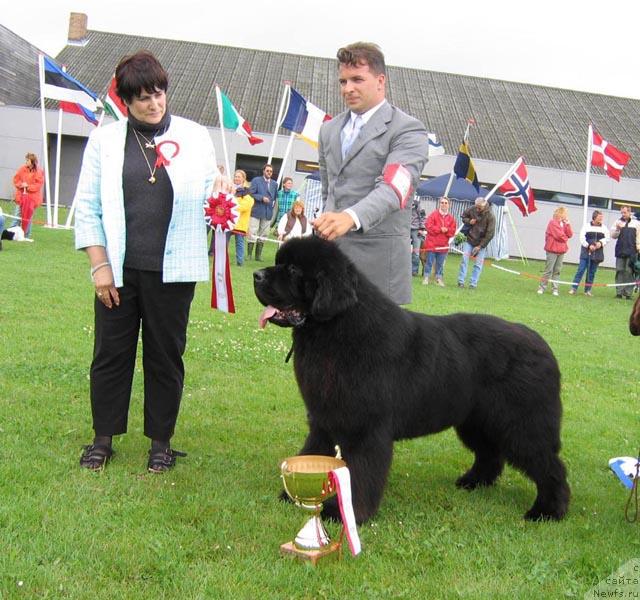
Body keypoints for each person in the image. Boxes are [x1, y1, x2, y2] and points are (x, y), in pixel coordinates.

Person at [73, 51, 219, 472]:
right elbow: (88, 208)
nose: (154, 104)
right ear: (125, 102)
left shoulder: (194, 137)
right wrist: (101, 269)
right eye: (142, 98)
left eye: (159, 94)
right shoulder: (105, 140)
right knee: (110, 354)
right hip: (119, 271)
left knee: (165, 357)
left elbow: (213, 193)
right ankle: (103, 439)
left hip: (173, 273)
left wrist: (223, 190)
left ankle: (161, 443)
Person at [313, 42, 429, 305]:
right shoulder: (328, 130)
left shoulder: (408, 130)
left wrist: (350, 217)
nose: (348, 88)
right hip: (330, 265)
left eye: (357, 79)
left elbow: (394, 190)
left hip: (378, 269)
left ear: (380, 80)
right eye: (343, 81)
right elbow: (328, 190)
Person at [568, 210, 610, 296]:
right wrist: (588, 246)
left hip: (597, 253)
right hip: (585, 252)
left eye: (602, 217)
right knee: (581, 270)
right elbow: (582, 238)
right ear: (594, 217)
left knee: (592, 272)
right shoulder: (586, 226)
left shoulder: (604, 228)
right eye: (599, 217)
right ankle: (574, 288)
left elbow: (607, 238)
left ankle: (587, 290)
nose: (601, 219)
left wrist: (600, 243)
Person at [457, 197, 495, 289]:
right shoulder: (473, 208)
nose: (477, 209)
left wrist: (480, 246)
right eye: (476, 207)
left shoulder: (491, 216)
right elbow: (463, 216)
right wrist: (469, 221)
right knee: (464, 260)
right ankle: (461, 281)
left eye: (479, 208)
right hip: (470, 239)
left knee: (478, 264)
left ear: (484, 205)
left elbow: (490, 234)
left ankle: (473, 284)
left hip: (481, 243)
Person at [537, 206, 573, 296]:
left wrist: (568, 224)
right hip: (552, 249)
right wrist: (565, 238)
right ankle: (542, 287)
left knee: (557, 270)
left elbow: (570, 234)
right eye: (565, 213)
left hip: (561, 250)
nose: (566, 215)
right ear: (560, 214)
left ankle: (555, 288)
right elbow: (559, 236)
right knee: (548, 270)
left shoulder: (564, 223)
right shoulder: (552, 222)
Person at [422, 197, 456, 286]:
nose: (444, 204)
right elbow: (428, 227)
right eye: (442, 202)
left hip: (443, 245)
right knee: (429, 262)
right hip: (432, 244)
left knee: (440, 264)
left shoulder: (451, 218)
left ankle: (438, 279)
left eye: (445, 203)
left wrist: (447, 230)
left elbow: (452, 231)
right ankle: (426, 278)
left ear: (449, 205)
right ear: (439, 204)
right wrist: (440, 229)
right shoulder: (433, 215)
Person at [248, 164, 277, 261]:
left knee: (264, 234)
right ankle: (249, 255)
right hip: (256, 210)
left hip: (267, 212)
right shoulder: (256, 180)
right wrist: (261, 198)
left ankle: (258, 256)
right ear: (263, 171)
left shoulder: (274, 184)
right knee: (253, 231)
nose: (269, 172)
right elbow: (251, 193)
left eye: (271, 171)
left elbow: (274, 197)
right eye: (267, 170)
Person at [610, 205, 640, 299]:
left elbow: (638, 237)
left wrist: (638, 248)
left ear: (629, 212)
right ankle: (619, 292)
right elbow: (613, 236)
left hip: (632, 251)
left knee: (629, 271)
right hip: (620, 250)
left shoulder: (636, 223)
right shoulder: (617, 222)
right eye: (622, 212)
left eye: (625, 212)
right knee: (619, 271)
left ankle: (628, 293)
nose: (623, 214)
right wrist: (618, 229)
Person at [12, 152, 45, 239]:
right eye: (26, 160)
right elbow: (16, 179)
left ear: (32, 161)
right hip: (21, 197)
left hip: (32, 199)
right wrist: (21, 185)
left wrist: (28, 186)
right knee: (17, 215)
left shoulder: (39, 171)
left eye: (27, 160)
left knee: (28, 217)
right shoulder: (22, 169)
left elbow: (38, 185)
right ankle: (12, 233)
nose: (26, 162)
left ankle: (26, 235)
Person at [227, 169, 254, 266]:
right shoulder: (229, 189)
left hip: (240, 222)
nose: (236, 178)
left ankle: (240, 262)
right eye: (235, 176)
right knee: (224, 241)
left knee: (239, 243)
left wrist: (232, 205)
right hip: (228, 221)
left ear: (243, 179)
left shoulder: (247, 191)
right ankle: (222, 260)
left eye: (239, 176)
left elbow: (247, 205)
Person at [409, 197, 425, 277]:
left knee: (416, 252)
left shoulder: (417, 204)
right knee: (402, 251)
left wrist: (421, 228)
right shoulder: (404, 202)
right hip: (405, 229)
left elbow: (423, 216)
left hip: (416, 230)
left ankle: (414, 271)